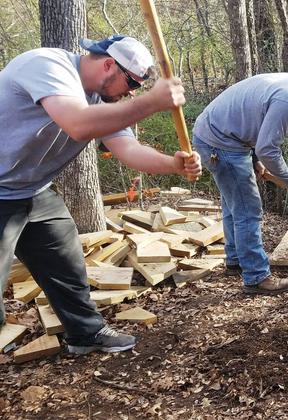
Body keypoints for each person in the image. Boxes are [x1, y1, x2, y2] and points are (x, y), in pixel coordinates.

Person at [0, 34, 202, 354]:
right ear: (109, 65)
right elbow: (78, 124)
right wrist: (150, 101)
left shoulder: (103, 100)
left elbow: (128, 149)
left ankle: (86, 333)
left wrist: (173, 164)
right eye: (131, 84)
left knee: (64, 258)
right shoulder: (46, 65)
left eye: (136, 88)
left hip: (31, 190)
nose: (131, 93)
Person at [192, 70, 288, 295]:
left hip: (215, 135)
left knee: (234, 203)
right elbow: (267, 148)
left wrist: (256, 159)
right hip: (221, 143)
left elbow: (254, 122)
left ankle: (236, 260)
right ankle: (256, 277)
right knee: (248, 210)